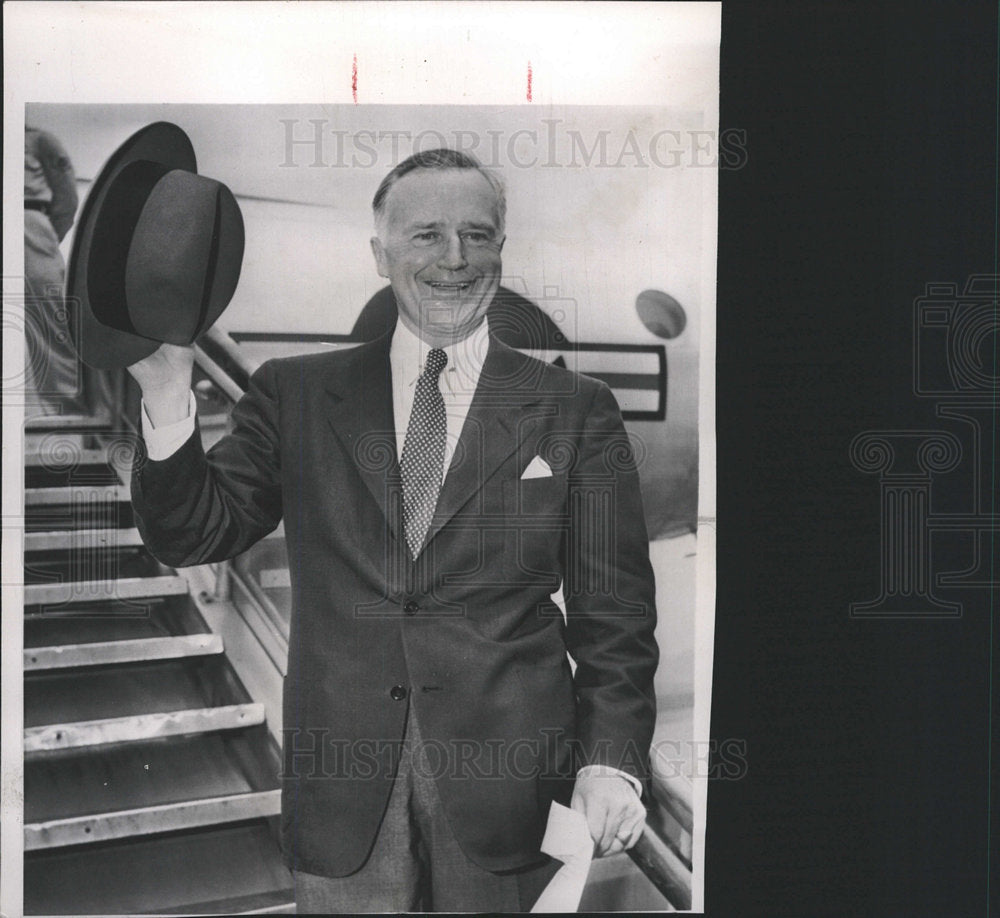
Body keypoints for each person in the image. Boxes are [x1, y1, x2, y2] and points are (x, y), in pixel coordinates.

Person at [128, 149, 659, 912]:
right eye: (426, 236)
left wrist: (610, 762)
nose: (454, 259)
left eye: (478, 235)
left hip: (512, 800)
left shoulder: (574, 408)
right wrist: (168, 391)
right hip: (344, 803)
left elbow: (616, 620)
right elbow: (192, 534)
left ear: (501, 251)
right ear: (380, 254)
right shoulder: (296, 394)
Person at [24, 125, 83, 414]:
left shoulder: (37, 139)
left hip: (28, 225)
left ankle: (71, 418)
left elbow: (66, 198)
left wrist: (44, 239)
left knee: (53, 330)